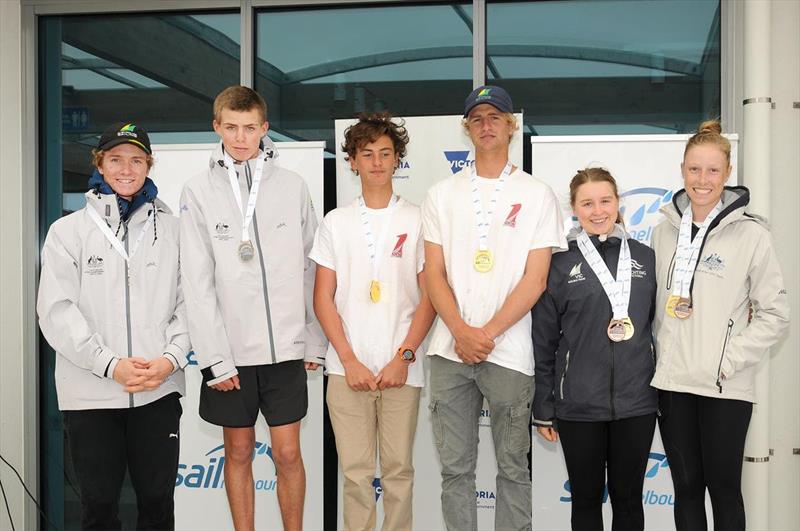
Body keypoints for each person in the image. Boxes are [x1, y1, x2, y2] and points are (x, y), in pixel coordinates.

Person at [179, 86, 326, 531]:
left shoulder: (292, 186)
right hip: (232, 355)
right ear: (217, 127)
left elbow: (311, 269)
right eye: (231, 127)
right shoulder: (198, 190)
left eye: (249, 128)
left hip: (285, 351)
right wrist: (215, 359)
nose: (240, 138)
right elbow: (196, 283)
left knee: (287, 454)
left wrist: (314, 341)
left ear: (264, 128)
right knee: (238, 452)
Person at [421, 85, 566, 531]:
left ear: (512, 125)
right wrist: (462, 332)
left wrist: (485, 334)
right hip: (449, 351)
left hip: (510, 351)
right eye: (478, 118)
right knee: (456, 472)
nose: (487, 125)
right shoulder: (441, 194)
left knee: (513, 472)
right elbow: (432, 275)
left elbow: (536, 279)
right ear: (467, 128)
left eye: (495, 117)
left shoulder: (538, 194)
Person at [38, 122, 190, 530]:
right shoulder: (67, 232)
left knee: (158, 505)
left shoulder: (174, 230)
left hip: (158, 388)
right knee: (99, 507)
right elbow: (56, 311)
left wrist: (171, 359)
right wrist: (110, 365)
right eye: (116, 159)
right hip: (90, 395)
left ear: (149, 165)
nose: (127, 168)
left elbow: (190, 302)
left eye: (136, 160)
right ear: (100, 166)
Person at [650, 120, 789, 531]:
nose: (703, 179)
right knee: (687, 490)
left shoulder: (751, 235)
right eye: (695, 169)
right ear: (682, 171)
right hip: (673, 385)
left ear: (728, 174)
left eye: (713, 170)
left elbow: (775, 314)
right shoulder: (663, 232)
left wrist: (726, 360)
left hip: (724, 386)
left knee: (724, 490)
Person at [311, 112, 436, 531]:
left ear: (398, 159)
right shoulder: (335, 221)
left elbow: (430, 298)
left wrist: (403, 356)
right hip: (347, 370)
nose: (377, 162)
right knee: (355, 475)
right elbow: (322, 298)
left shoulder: (419, 218)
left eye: (386, 153)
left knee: (399, 473)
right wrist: (349, 360)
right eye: (368, 154)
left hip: (404, 369)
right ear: (352, 161)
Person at [532, 168, 658, 531]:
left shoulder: (646, 258)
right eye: (587, 203)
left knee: (629, 500)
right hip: (579, 405)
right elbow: (544, 340)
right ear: (574, 208)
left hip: (636, 402)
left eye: (605, 201)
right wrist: (544, 406)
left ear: (618, 204)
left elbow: (658, 329)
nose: (597, 210)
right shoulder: (559, 263)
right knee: (586, 500)